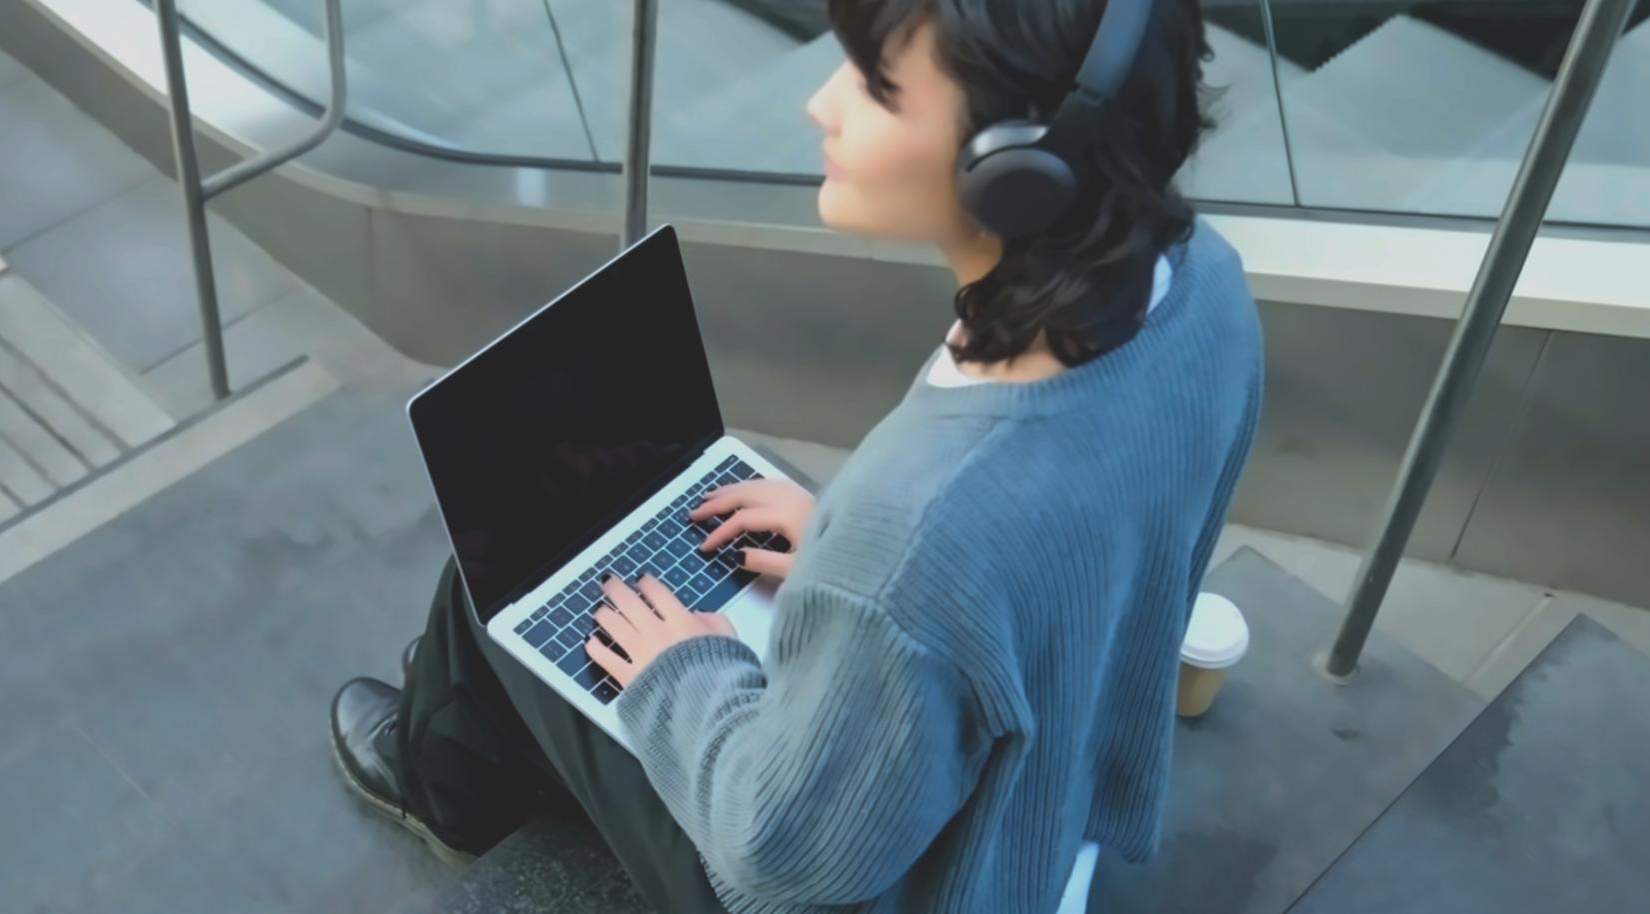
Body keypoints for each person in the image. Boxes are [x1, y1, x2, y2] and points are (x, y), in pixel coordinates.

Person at [328, 0, 1261, 909]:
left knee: (508, 582)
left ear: (1014, 171)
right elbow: (1076, 568)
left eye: (877, 86)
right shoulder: (1204, 289)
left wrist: (684, 674)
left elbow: (785, 854)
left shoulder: (919, 525)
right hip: (1049, 826)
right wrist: (861, 576)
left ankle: (437, 784)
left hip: (903, 883)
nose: (822, 103)